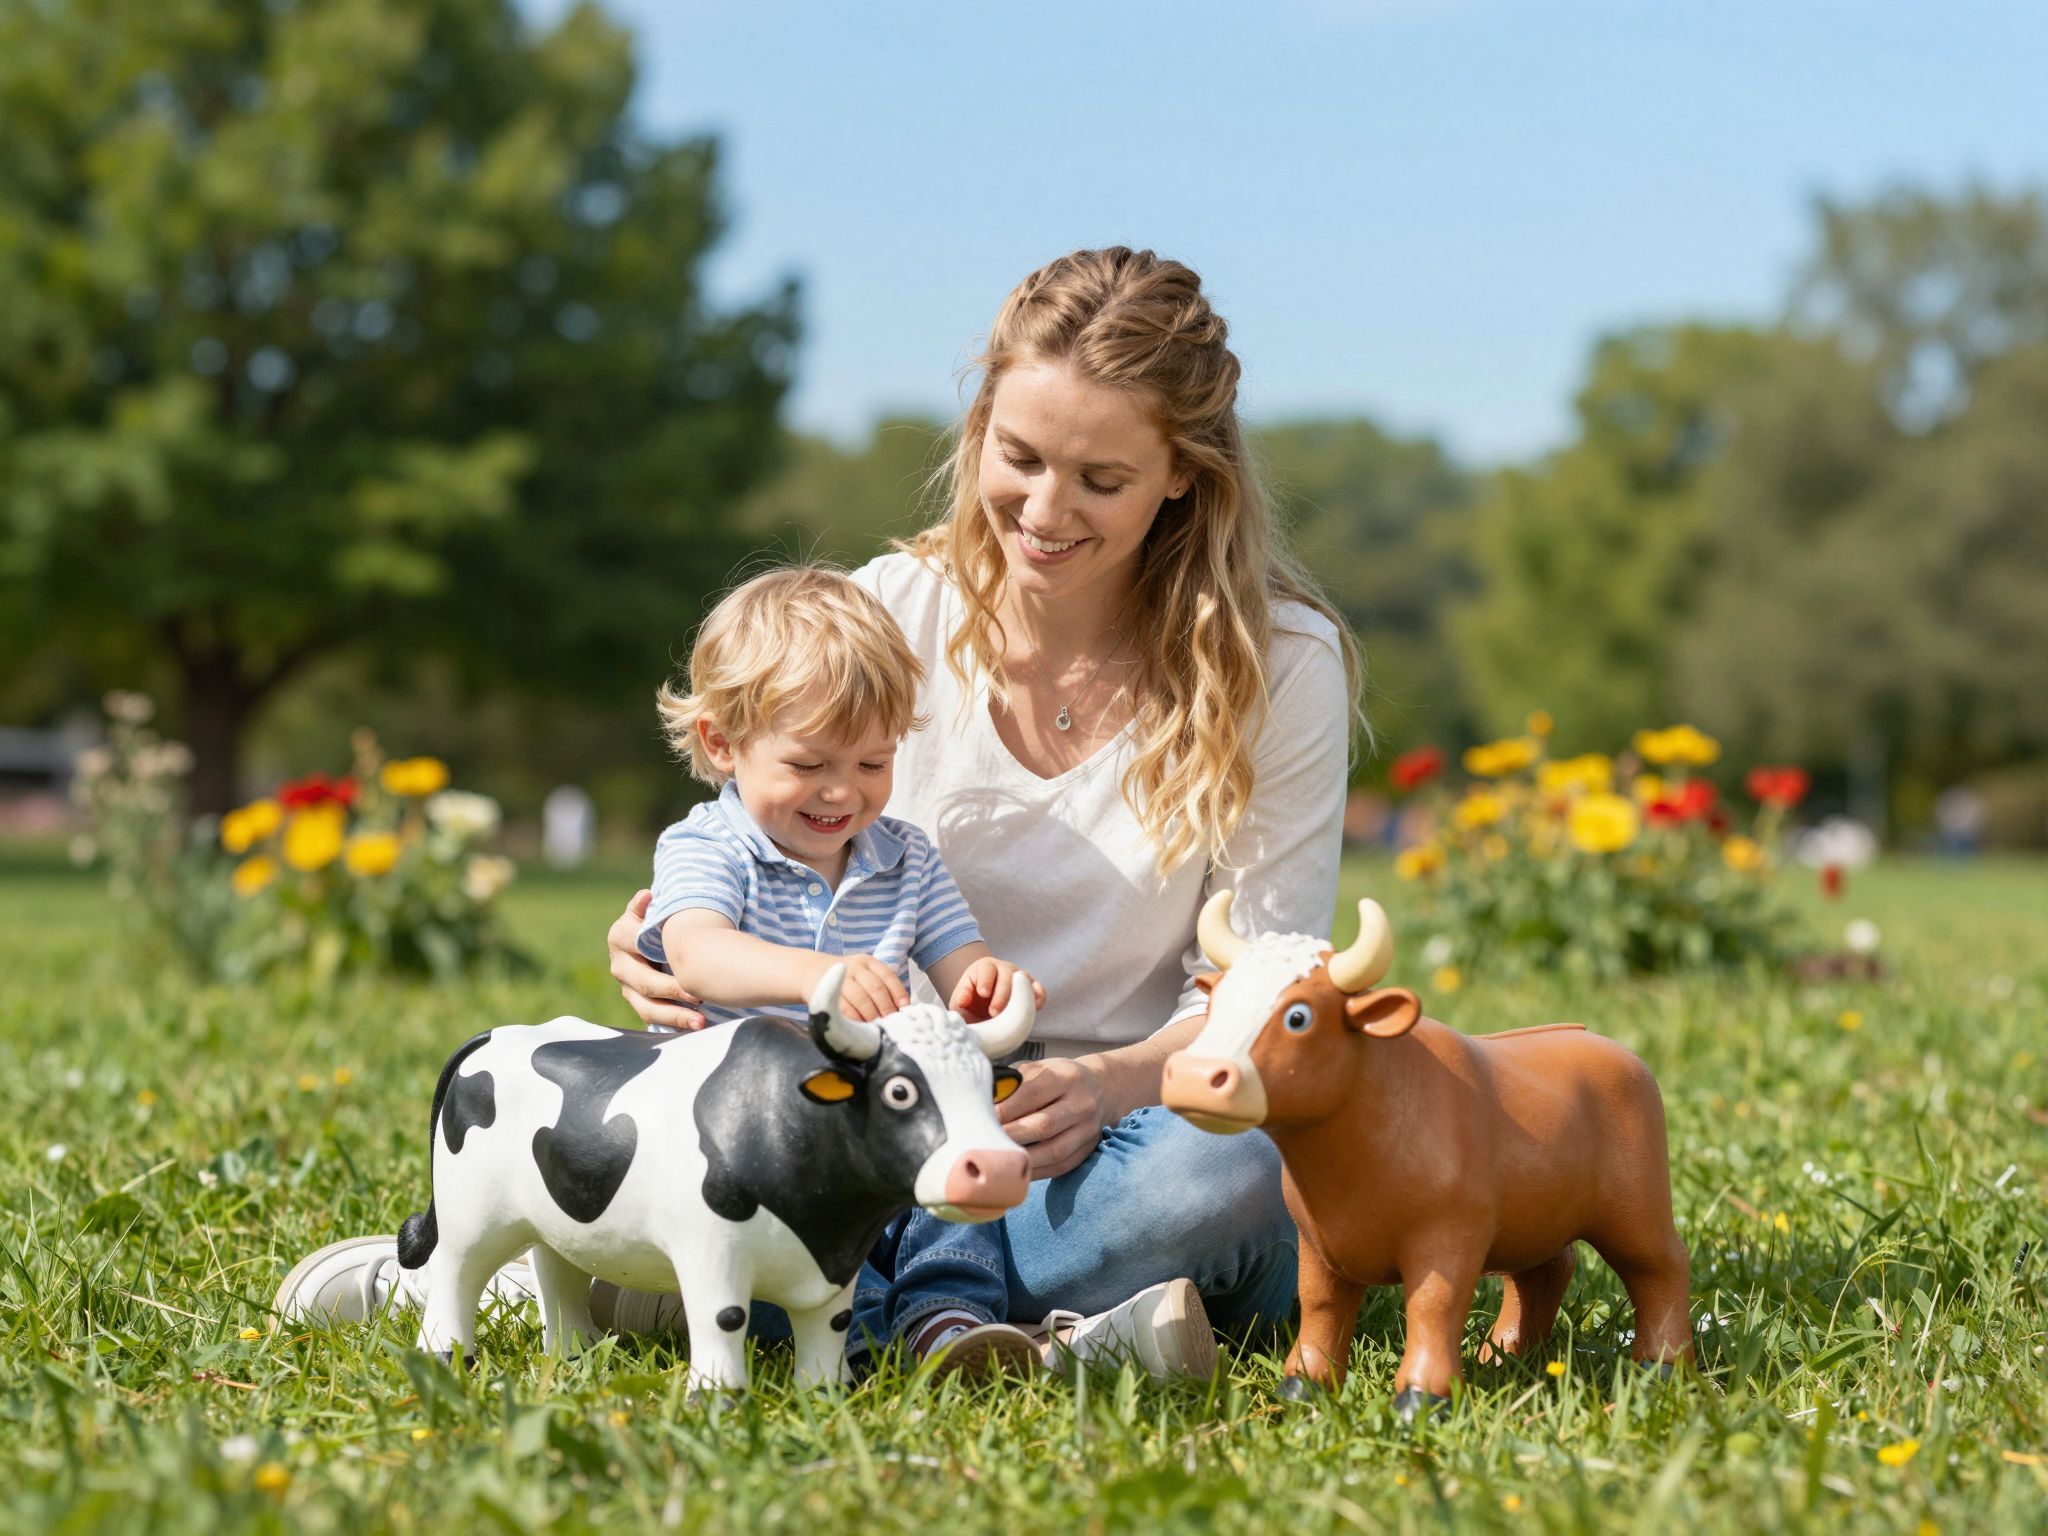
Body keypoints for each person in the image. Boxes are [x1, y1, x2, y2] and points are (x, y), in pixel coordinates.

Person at [277, 246, 1361, 1381]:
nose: (1042, 513)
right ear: (980, 423)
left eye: (1100, 480)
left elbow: (1256, 988)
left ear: (1182, 475)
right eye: (1019, 457)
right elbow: (757, 847)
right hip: (866, 1123)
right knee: (742, 1141)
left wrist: (1104, 1083)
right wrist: (661, 948)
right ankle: (1047, 1333)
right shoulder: (893, 610)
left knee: (1231, 1177)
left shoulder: (1278, 665)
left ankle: (721, 1289)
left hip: (1108, 1136)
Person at [638, 563, 1047, 1372]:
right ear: (723, 743)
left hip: (865, 1120)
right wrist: (811, 974)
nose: (841, 793)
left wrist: (992, 985)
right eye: (807, 764)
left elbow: (963, 962)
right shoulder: (707, 846)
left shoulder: (907, 859)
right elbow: (695, 952)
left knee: (958, 1132)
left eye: (872, 764)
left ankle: (945, 1314)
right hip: (734, 1136)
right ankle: (854, 1337)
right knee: (776, 1232)